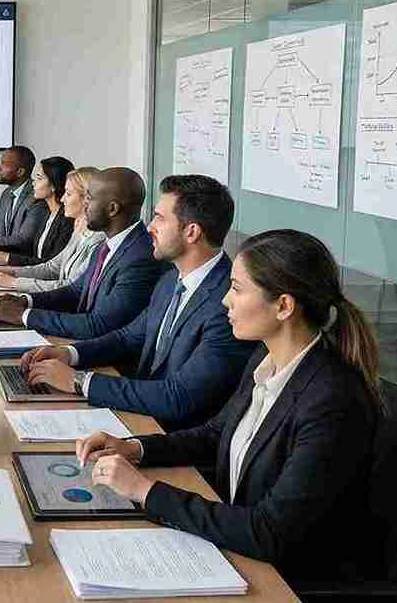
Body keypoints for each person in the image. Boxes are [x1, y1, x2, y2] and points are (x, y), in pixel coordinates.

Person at [74, 229, 381, 585]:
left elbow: (269, 531)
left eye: (236, 288)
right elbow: (216, 433)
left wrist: (145, 491)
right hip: (235, 543)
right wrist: (134, 447)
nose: (224, 301)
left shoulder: (332, 401)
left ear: (283, 306)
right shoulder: (265, 359)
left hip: (284, 578)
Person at [21, 175, 257, 431]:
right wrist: (69, 354)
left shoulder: (228, 303)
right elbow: (128, 338)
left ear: (191, 232)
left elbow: (179, 397)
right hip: (137, 415)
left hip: (170, 439)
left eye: (159, 218)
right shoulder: (170, 280)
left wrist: (80, 382)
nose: (149, 227)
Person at [0, 167, 168, 340]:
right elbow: (75, 291)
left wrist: (25, 316)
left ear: (112, 209)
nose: (85, 205)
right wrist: (26, 301)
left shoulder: (139, 257)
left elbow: (98, 325)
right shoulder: (106, 246)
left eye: (89, 198)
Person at [0, 166, 105, 293]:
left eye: (68, 194)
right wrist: (12, 271)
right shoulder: (80, 231)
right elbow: (52, 268)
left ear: (87, 200)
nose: (63, 199)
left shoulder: (98, 240)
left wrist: (14, 282)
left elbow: (71, 287)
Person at [0, 155, 75, 266]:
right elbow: (31, 251)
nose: (33, 183)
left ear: (53, 185)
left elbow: (51, 266)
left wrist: (6, 257)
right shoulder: (48, 213)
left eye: (39, 178)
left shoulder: (66, 221)